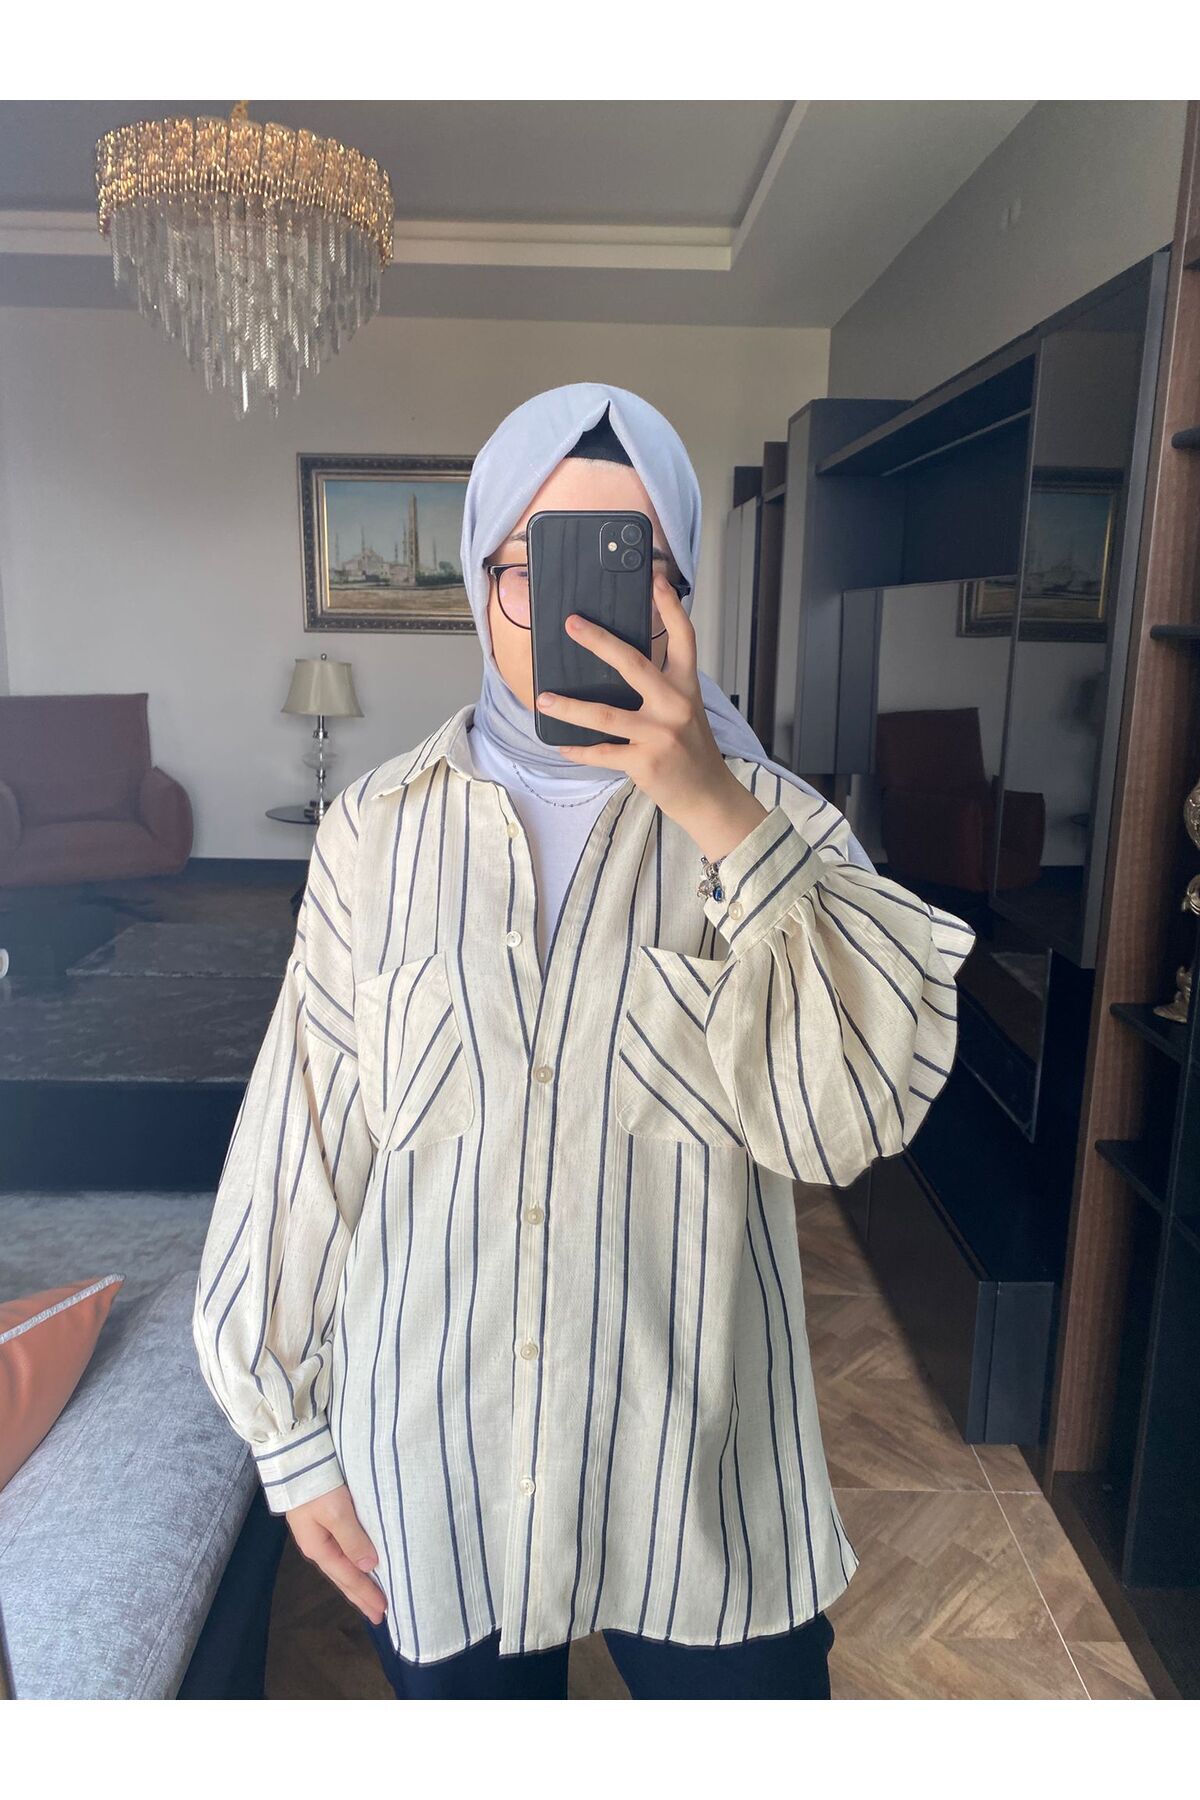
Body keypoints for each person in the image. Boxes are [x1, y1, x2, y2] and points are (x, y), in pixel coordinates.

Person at [193, 382, 977, 1701]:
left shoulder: (783, 827)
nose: (574, 612)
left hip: (701, 1478)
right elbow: (307, 1138)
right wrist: (291, 1437)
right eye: (534, 565)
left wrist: (716, 812)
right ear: (478, 582)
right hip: (439, 1468)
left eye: (632, 565)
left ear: (683, 591)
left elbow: (848, 1123)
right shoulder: (377, 831)